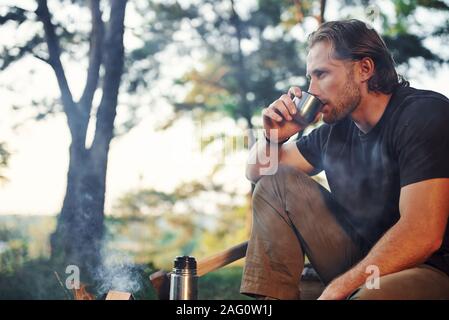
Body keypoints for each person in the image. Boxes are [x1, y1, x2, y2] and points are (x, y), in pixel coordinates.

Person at [240, 19, 449, 300]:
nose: (311, 89)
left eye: (321, 74)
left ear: (364, 69)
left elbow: (423, 233)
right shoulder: (334, 132)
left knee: (372, 295)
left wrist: (339, 288)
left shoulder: (423, 115)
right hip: (361, 260)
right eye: (310, 77)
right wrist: (272, 137)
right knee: (276, 182)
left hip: (429, 267)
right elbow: (258, 171)